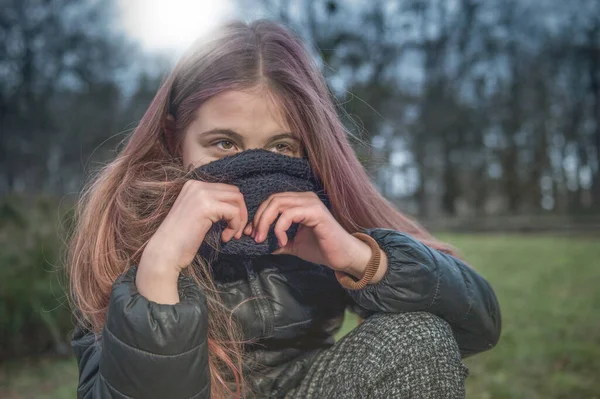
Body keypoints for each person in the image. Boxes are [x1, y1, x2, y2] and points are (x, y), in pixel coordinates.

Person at [67, 18, 501, 399]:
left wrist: (359, 258)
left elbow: (478, 325)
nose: (253, 166)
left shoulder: (319, 205)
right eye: (224, 143)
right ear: (173, 136)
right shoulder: (121, 228)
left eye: (280, 146)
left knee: (417, 337)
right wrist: (158, 271)